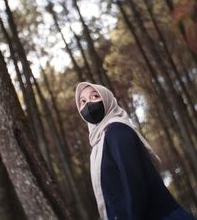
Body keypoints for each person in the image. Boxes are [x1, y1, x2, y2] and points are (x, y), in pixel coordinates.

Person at [75, 82, 197, 220]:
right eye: (82, 101)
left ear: (107, 99)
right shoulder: (100, 143)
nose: (88, 105)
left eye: (95, 96)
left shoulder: (116, 131)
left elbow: (134, 183)